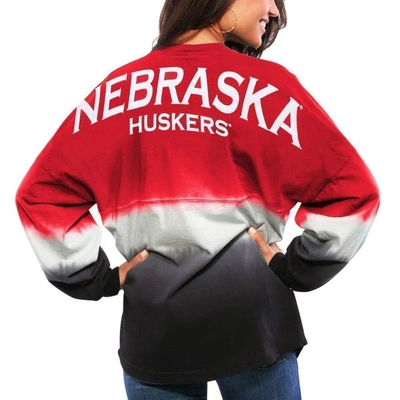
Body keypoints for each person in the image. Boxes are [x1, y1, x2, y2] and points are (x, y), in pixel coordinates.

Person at [15, 0, 380, 399]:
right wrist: (296, 268)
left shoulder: (115, 92)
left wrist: (94, 276)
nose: (274, 11)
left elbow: (42, 196)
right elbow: (353, 192)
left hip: (155, 333)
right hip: (256, 325)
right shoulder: (271, 89)